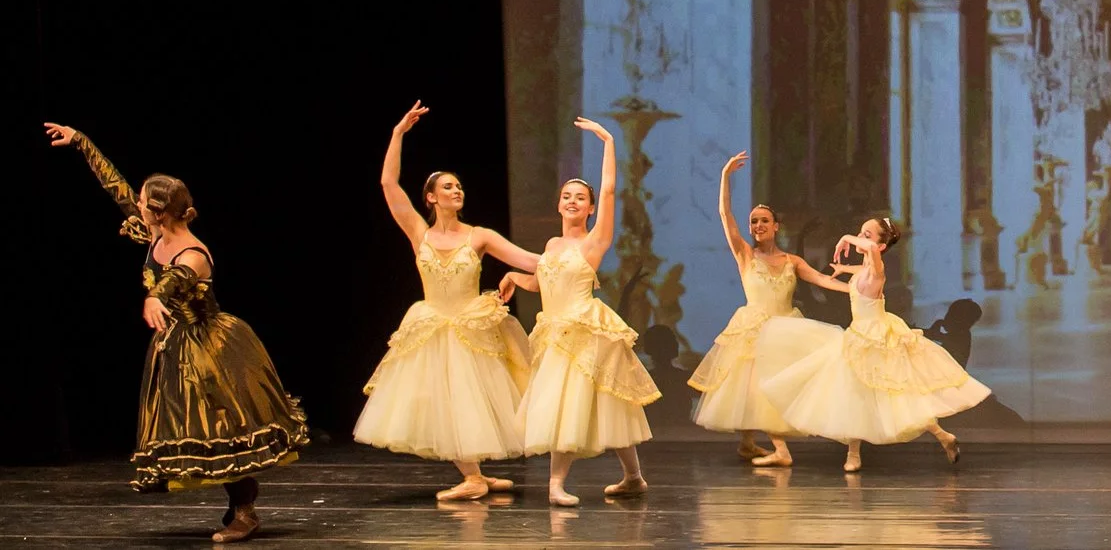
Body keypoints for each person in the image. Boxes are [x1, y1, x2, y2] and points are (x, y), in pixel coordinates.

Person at [45, 123, 309, 544]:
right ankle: (237, 508)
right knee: (203, 433)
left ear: (159, 212)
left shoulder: (194, 253)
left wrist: (154, 298)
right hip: (177, 345)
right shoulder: (154, 231)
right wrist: (82, 142)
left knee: (223, 430)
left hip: (211, 347)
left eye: (144, 202)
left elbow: (172, 284)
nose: (136, 204)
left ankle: (245, 513)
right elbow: (116, 187)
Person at [354, 101, 536, 501]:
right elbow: (388, 184)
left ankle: (475, 477)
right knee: (446, 401)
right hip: (434, 325)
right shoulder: (419, 232)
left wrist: (569, 253)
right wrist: (398, 133)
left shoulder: (480, 235)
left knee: (470, 400)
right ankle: (474, 476)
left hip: (470, 324)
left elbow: (531, 261)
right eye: (448, 187)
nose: (457, 190)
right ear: (431, 198)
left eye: (459, 186)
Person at [502, 117, 661, 506]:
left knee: (593, 401)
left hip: (585, 329)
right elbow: (544, 283)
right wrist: (512, 276)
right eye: (566, 196)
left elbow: (609, 190)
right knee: (579, 403)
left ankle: (564, 482)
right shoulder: (552, 244)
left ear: (589, 209)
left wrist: (608, 141)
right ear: (559, 203)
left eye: (579, 197)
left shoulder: (594, 242)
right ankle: (629, 478)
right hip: (555, 331)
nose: (572, 201)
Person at [761, 215, 990, 472]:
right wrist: (843, 270)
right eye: (861, 232)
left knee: (897, 396)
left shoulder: (878, 268)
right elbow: (861, 270)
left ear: (881, 246)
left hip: (878, 337)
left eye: (867, 235)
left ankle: (940, 436)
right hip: (858, 335)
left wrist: (846, 239)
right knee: (854, 393)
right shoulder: (866, 268)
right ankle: (855, 453)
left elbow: (870, 257)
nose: (861, 238)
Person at [687, 151, 846, 467]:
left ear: (776, 226)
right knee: (753, 385)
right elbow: (724, 215)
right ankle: (777, 449)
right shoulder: (746, 256)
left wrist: (857, 288)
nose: (758, 225)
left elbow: (823, 281)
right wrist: (724, 176)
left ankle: (749, 444)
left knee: (766, 385)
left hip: (785, 330)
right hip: (754, 327)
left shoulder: (792, 262)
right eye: (754, 221)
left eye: (764, 221)